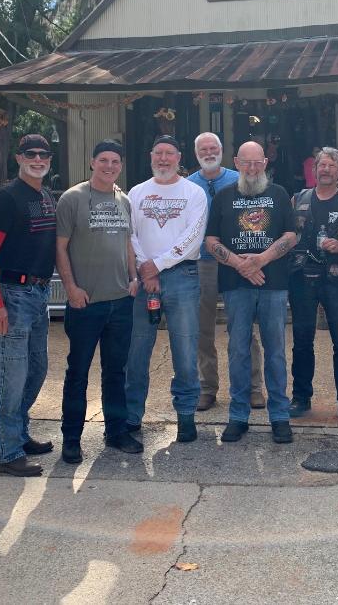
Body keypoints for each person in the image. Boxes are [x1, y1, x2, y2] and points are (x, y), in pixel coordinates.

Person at [204, 141, 298, 444]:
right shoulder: (223, 196)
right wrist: (240, 264)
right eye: (247, 163)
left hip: (273, 284)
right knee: (238, 351)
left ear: (266, 163)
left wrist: (261, 260)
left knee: (276, 351)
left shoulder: (279, 194)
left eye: (258, 162)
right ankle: (238, 416)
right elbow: (211, 241)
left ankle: (279, 416)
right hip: (236, 286)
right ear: (236, 163)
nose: (253, 168)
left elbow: (291, 235)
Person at [55, 139, 142, 463]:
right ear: (92, 162)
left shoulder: (124, 200)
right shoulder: (72, 198)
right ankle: (71, 439)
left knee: (115, 371)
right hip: (85, 303)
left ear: (121, 165)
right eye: (103, 160)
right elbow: (60, 247)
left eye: (115, 161)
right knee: (78, 372)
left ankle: (116, 431)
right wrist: (71, 288)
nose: (109, 166)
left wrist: (133, 278)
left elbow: (128, 243)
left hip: (120, 301)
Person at [0, 133, 57, 476]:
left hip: (39, 295)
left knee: (36, 369)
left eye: (44, 155)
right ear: (19, 158)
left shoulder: (46, 196)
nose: (38, 160)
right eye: (30, 154)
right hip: (12, 295)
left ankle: (19, 435)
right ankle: (7, 452)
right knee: (11, 375)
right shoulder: (7, 199)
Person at [125, 135, 208, 443]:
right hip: (143, 278)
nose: (163, 159)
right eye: (158, 153)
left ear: (178, 157)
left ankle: (186, 415)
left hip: (182, 276)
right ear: (151, 156)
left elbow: (193, 237)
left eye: (169, 153)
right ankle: (131, 416)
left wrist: (157, 266)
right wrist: (145, 268)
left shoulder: (193, 193)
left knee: (185, 350)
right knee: (136, 351)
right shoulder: (136, 193)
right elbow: (129, 234)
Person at [288, 147, 338, 421]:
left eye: (331, 166)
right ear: (314, 170)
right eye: (321, 165)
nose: (325, 169)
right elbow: (286, 235)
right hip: (302, 277)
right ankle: (301, 397)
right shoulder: (298, 199)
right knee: (302, 340)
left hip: (336, 277)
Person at [187, 132, 265, 411]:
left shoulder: (239, 179)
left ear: (222, 151)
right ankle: (207, 387)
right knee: (202, 328)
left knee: (243, 327)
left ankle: (253, 386)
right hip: (203, 262)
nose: (209, 153)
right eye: (203, 149)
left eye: (213, 148)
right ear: (196, 153)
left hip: (239, 262)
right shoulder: (188, 185)